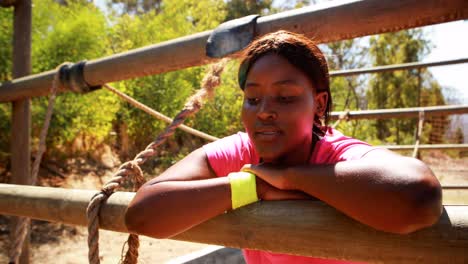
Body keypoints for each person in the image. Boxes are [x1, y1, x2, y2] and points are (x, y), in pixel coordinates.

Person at [124, 30, 443, 263]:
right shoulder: (240, 152)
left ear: (319, 105)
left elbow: (418, 197)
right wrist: (254, 186)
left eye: (286, 97)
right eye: (253, 99)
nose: (263, 110)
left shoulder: (338, 154)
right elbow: (143, 214)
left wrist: (289, 178)